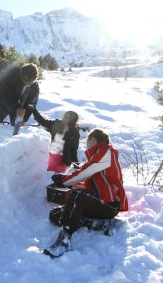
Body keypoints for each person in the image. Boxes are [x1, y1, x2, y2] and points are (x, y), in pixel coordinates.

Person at [43, 129, 128, 258]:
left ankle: (64, 239)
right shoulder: (100, 155)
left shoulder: (106, 152)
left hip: (109, 205)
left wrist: (63, 181)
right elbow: (89, 180)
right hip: (100, 201)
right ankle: (95, 223)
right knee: (56, 214)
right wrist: (68, 181)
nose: (86, 144)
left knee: (77, 194)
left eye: (87, 140)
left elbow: (84, 172)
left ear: (93, 139)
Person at [31, 108, 80, 173]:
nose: (64, 118)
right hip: (50, 153)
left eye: (67, 118)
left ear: (72, 121)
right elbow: (43, 122)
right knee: (41, 168)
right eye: (64, 116)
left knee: (49, 173)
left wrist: (76, 163)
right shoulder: (57, 124)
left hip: (62, 157)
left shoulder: (74, 133)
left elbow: (74, 149)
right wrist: (34, 111)